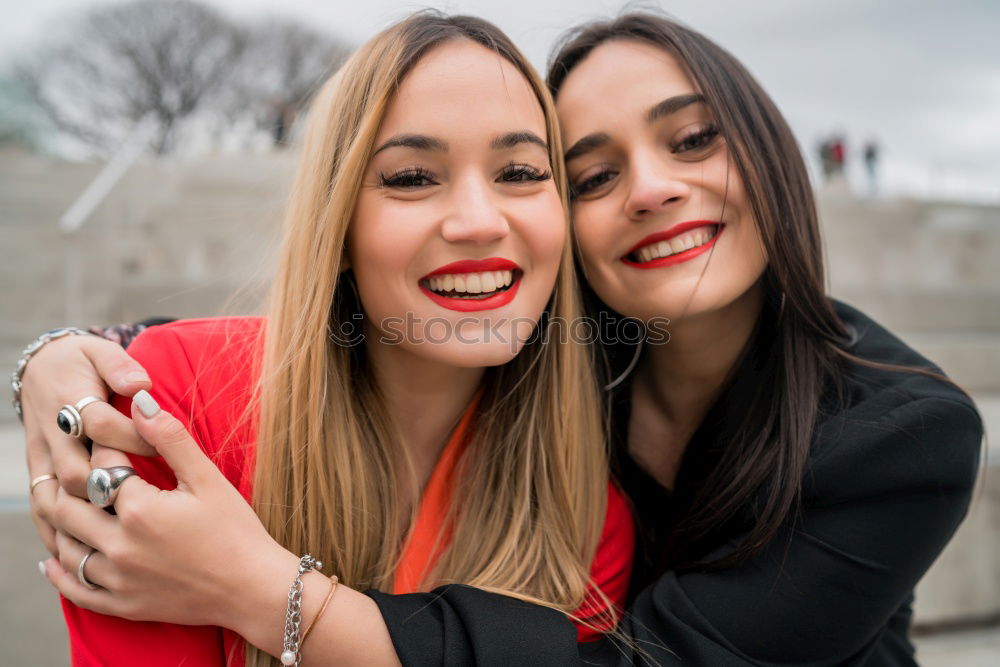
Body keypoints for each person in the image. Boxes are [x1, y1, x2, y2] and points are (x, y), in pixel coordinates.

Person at [21, 11, 982, 667]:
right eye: (591, 174)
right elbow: (281, 344)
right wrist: (62, 359)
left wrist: (266, 593)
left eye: (693, 141)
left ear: (773, 151)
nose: (650, 188)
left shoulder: (904, 433)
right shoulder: (551, 357)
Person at [19, 13, 634, 667]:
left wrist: (265, 594)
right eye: (410, 177)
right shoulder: (167, 402)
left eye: (519, 172)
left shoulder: (586, 510)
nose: (480, 221)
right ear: (335, 227)